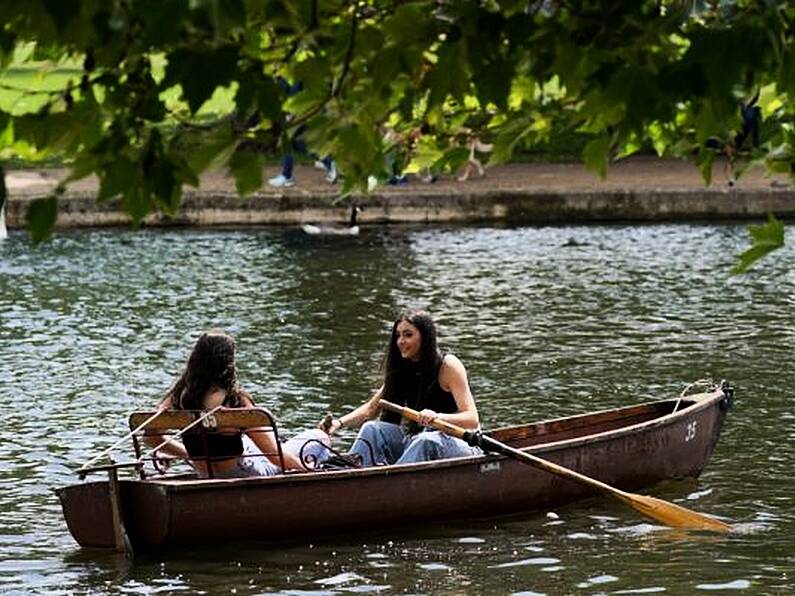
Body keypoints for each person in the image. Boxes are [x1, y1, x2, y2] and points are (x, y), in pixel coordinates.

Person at [150, 330, 329, 478]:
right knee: (320, 437)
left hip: (203, 473)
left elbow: (151, 437)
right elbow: (276, 457)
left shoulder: (178, 397)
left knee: (246, 441)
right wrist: (308, 471)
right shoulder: (236, 400)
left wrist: (189, 455)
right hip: (244, 474)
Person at [321, 310, 482, 465]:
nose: (400, 341)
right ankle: (353, 474)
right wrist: (338, 423)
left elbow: (472, 419)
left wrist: (437, 417)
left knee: (426, 440)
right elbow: (371, 409)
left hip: (461, 444)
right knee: (372, 429)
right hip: (417, 440)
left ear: (425, 337)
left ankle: (390, 483)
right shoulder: (403, 368)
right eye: (398, 336)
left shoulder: (448, 366)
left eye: (408, 335)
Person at [268, 77, 338, 188]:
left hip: (295, 113)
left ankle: (287, 176)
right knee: (300, 145)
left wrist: (290, 114)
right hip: (293, 112)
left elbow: (295, 94)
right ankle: (329, 162)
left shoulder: (292, 74)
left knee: (287, 143)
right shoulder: (281, 75)